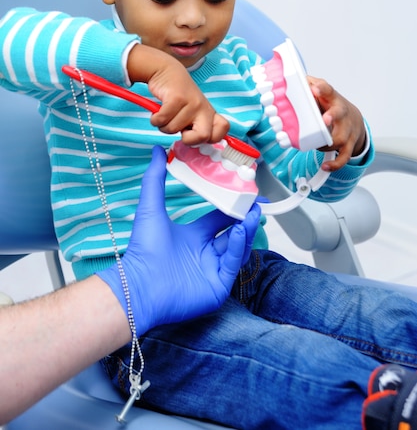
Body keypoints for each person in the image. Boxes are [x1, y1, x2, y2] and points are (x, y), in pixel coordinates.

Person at [1, 0, 417, 430]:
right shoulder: (87, 69)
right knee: (288, 363)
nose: (193, 18)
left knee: (380, 314)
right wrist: (146, 65)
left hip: (251, 270)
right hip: (139, 319)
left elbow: (308, 187)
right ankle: (391, 408)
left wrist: (343, 142)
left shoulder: (242, 73)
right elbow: (10, 38)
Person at [0, 146, 260, 425]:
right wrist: (134, 289)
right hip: (146, 324)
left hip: (250, 267)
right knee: (305, 367)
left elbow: (292, 167)